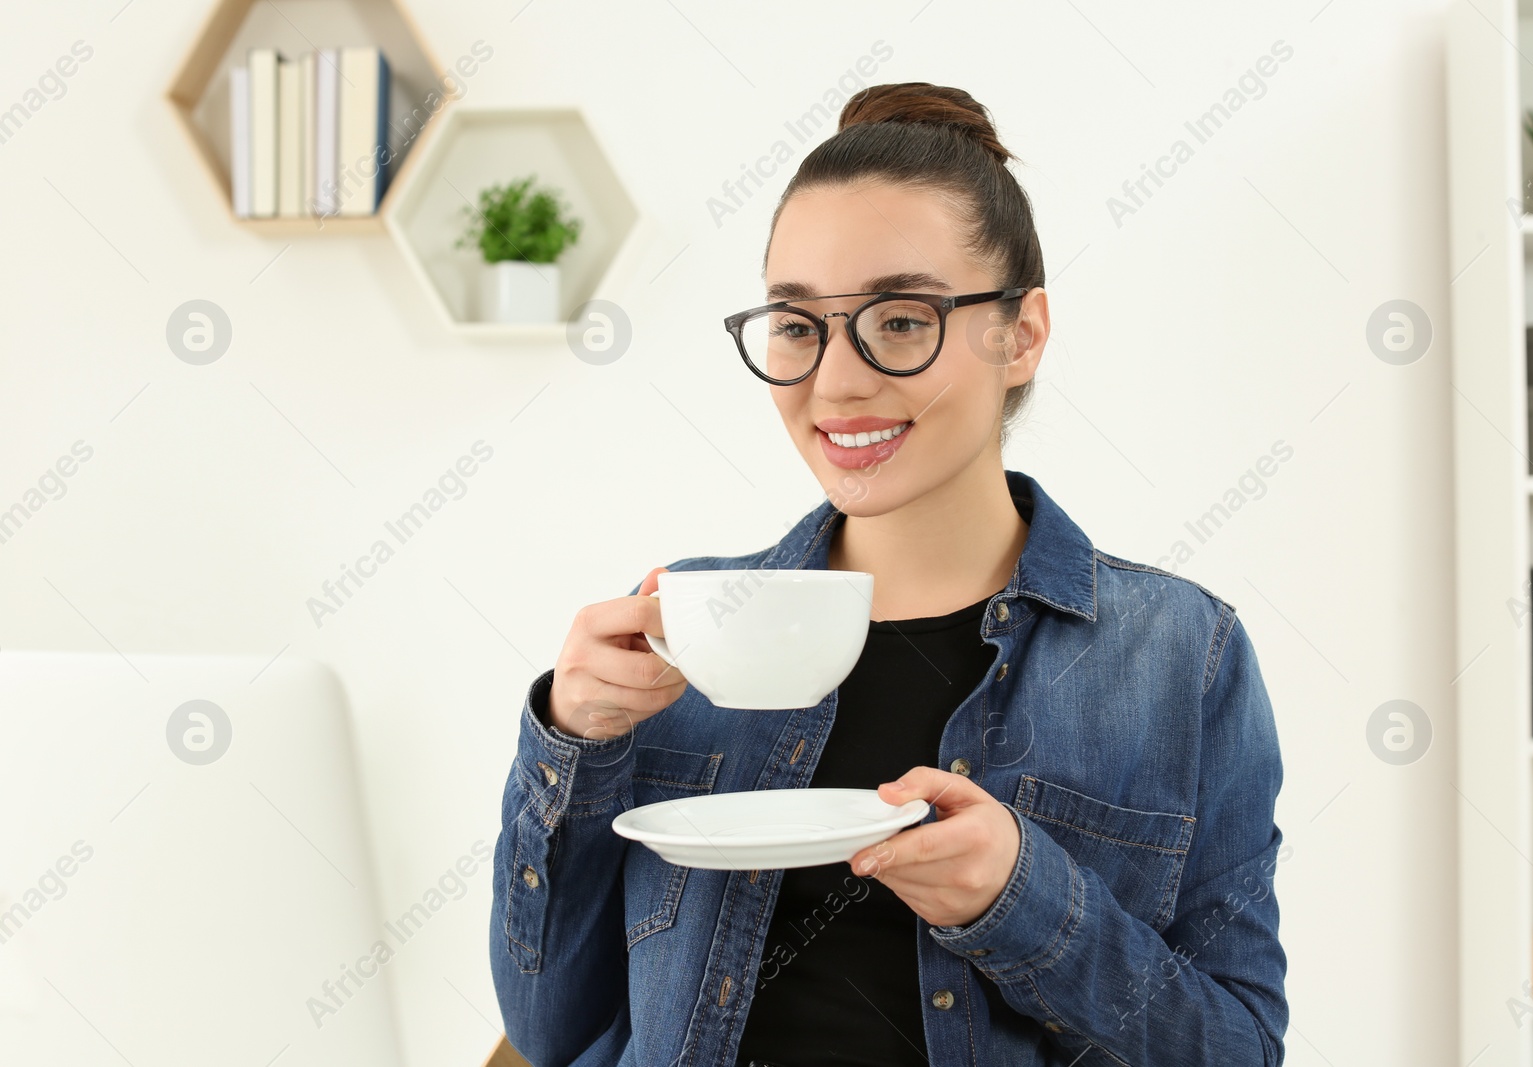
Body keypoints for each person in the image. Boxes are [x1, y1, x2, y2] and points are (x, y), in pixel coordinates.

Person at [489, 81, 1289, 1067]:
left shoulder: (1177, 654)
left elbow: (1238, 1047)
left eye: (900, 320)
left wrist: (1022, 899)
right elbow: (550, 1027)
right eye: (796, 325)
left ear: (1021, 333)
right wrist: (568, 742)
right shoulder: (683, 630)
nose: (835, 382)